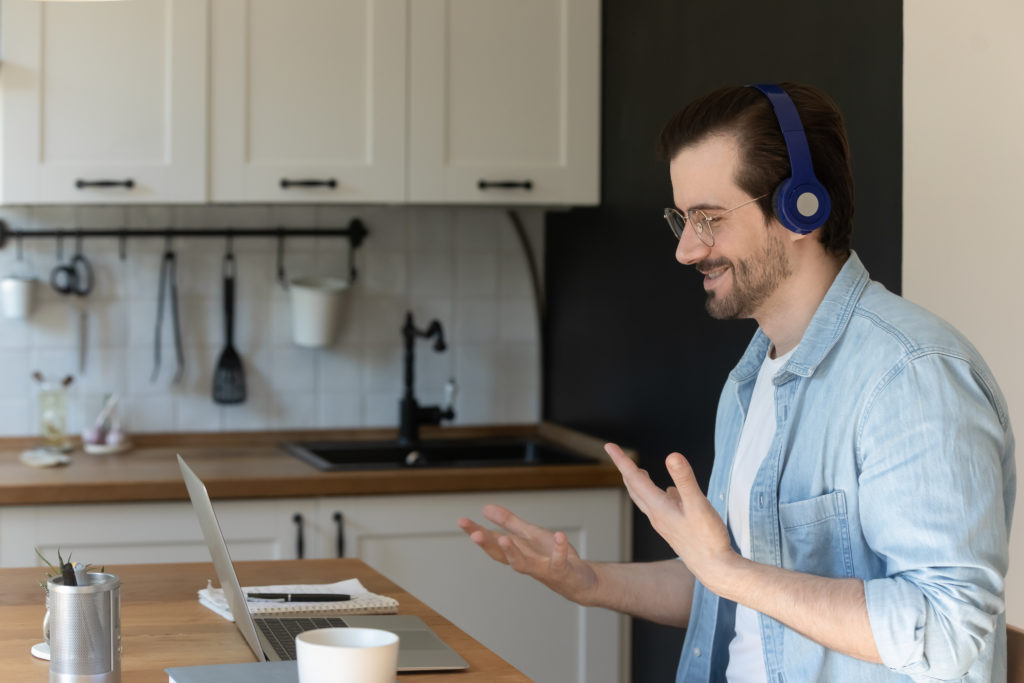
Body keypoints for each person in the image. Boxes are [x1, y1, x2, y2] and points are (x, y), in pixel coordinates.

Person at [458, 82, 1015, 681]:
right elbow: (732, 579)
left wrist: (727, 569)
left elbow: (949, 627)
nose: (686, 250)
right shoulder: (753, 379)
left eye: (709, 218)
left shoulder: (911, 375)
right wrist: (588, 581)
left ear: (803, 208)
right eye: (683, 218)